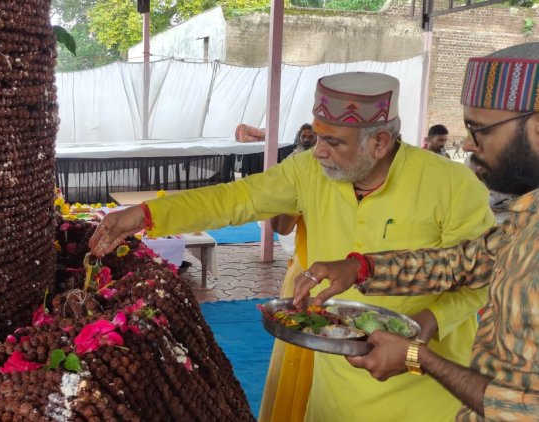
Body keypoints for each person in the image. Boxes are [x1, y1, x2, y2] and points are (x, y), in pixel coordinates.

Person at [90, 71, 495, 421]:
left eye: (333, 142)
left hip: (423, 391)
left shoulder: (452, 185)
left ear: (380, 142)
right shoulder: (310, 170)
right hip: (336, 381)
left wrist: (424, 326)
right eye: (317, 138)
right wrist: (144, 215)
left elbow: (480, 280)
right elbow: (236, 198)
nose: (318, 151)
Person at [293, 43, 539, 421]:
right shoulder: (528, 217)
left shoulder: (454, 184)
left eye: (479, 129)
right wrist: (362, 269)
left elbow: (525, 409)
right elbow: (467, 262)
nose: (469, 143)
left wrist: (418, 357)